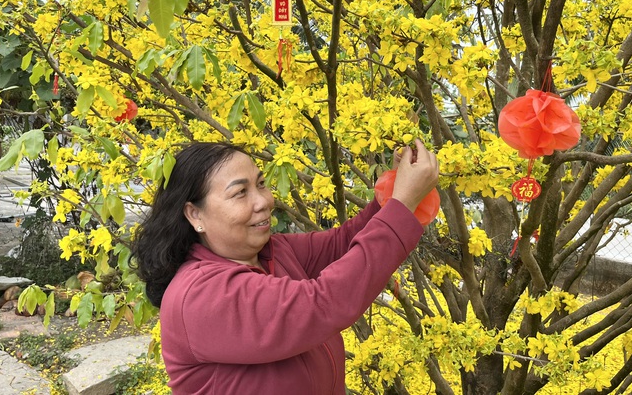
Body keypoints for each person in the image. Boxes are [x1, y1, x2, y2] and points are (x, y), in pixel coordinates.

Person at [132, 139, 439, 394]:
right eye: (240, 192)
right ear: (194, 215)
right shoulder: (200, 295)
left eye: (261, 184)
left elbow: (343, 243)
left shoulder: (272, 252)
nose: (264, 200)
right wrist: (401, 206)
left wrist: (395, 194)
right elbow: (323, 303)